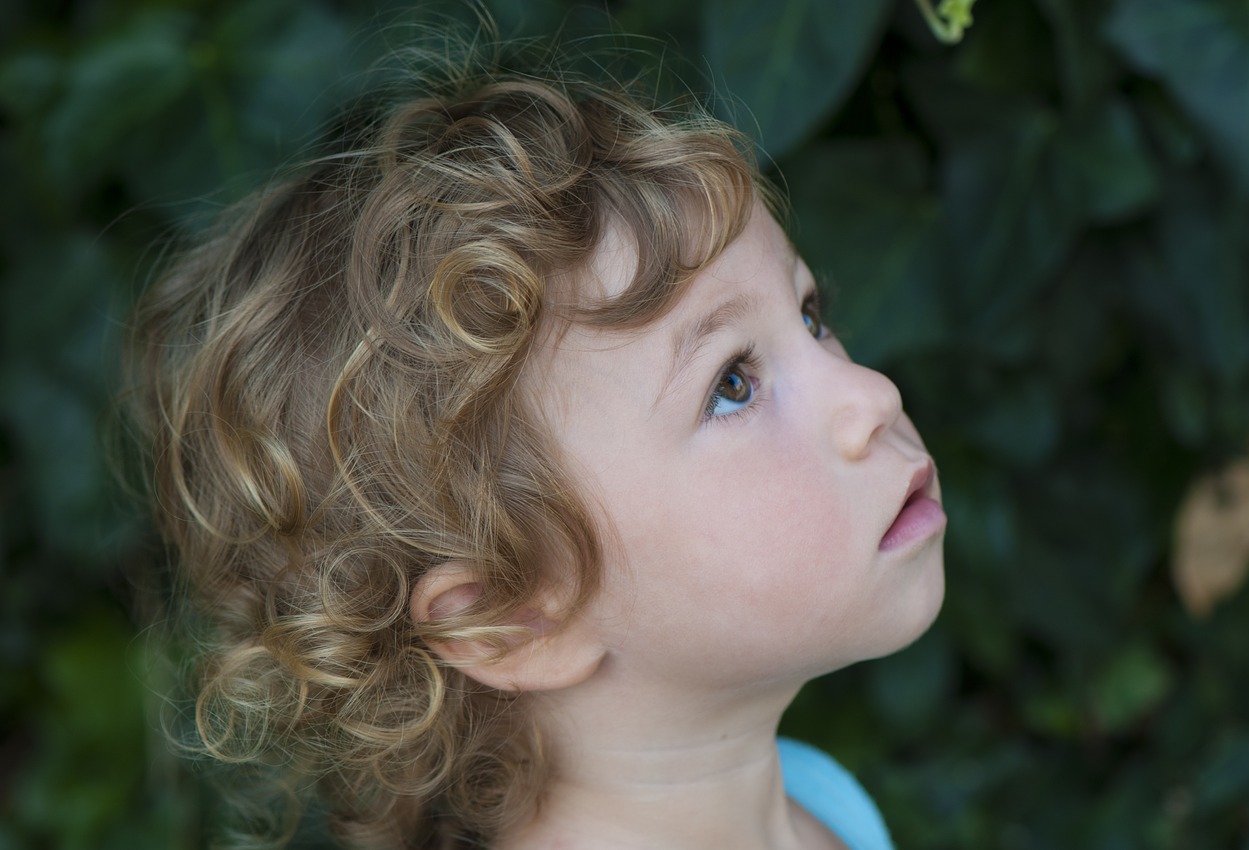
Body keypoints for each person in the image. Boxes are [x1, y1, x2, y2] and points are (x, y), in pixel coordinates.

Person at [124, 31, 946, 850]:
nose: (873, 393)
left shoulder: (822, 805)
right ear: (513, 619)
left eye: (811, 316)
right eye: (731, 385)